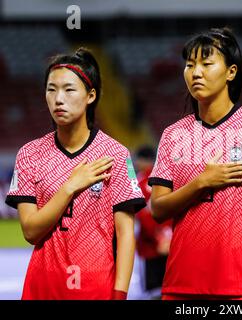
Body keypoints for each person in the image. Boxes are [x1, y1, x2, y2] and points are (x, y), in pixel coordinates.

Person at [149, 27, 242, 300]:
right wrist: (201, 182)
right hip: (180, 285)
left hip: (239, 285)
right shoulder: (173, 134)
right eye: (190, 65)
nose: (195, 72)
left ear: (231, 72)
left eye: (206, 63)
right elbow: (158, 209)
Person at [5, 48, 146, 300]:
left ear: (90, 95)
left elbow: (125, 233)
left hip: (97, 289)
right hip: (42, 289)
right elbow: (30, 231)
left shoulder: (116, 153)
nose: (59, 99)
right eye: (51, 89)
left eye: (69, 89)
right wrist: (70, 187)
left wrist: (120, 293)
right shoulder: (29, 154)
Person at [134, 145, 172, 299]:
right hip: (171, 243)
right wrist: (168, 236)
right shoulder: (167, 176)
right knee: (170, 289)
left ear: (142, 161)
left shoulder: (140, 180)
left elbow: (142, 214)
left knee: (154, 292)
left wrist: (158, 238)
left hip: (150, 246)